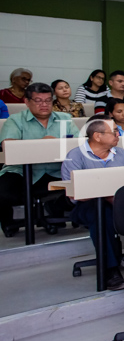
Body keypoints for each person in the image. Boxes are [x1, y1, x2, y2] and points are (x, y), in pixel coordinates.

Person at [62, 115, 124, 290]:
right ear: (97, 136)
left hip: (121, 202)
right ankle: (110, 271)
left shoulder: (122, 154)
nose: (119, 135)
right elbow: (75, 195)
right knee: (101, 212)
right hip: (87, 205)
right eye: (115, 132)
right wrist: (105, 195)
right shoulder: (75, 156)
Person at [0, 83, 78, 236]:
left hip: (56, 169)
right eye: (38, 101)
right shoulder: (15, 120)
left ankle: (56, 207)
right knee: (3, 191)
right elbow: (8, 145)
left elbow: (77, 144)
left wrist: (54, 143)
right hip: (22, 171)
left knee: (85, 181)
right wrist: (42, 144)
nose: (44, 105)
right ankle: (9, 222)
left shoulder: (65, 119)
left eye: (48, 100)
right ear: (27, 102)